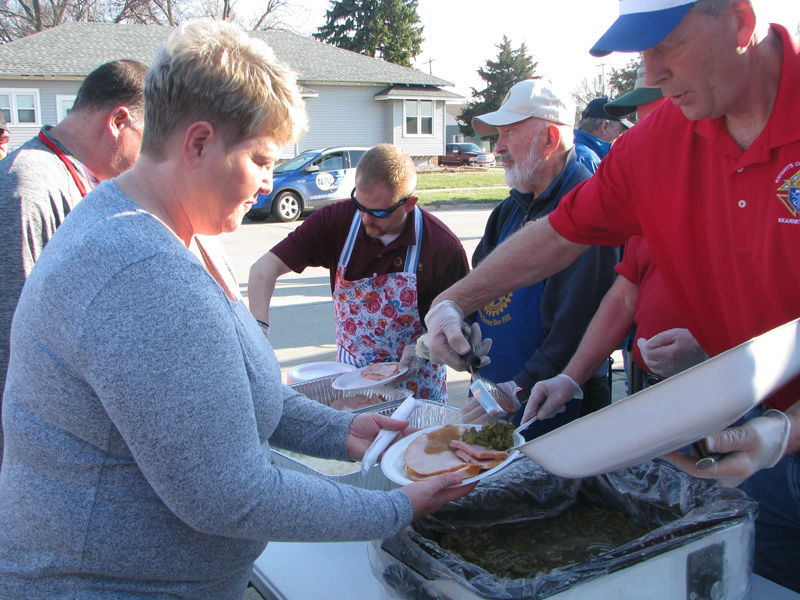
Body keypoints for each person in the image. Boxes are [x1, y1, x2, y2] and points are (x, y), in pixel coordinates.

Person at [0, 20, 473, 599]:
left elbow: (241, 392)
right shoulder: (140, 270)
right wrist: (395, 507)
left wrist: (346, 431)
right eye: (262, 159)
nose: (270, 183)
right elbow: (229, 495)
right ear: (198, 143)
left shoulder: (177, 232)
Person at [423, 0, 800, 590]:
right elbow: (559, 234)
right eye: (642, 52)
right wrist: (455, 300)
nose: (651, 73)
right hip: (750, 434)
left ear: (741, 21)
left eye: (668, 45)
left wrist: (787, 430)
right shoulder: (657, 142)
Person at [0, 59, 147, 460]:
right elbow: (13, 344)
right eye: (149, 141)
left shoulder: (77, 178)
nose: (150, 158)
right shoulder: (29, 188)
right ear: (118, 121)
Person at [248, 143, 469, 402]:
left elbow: (462, 324)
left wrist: (423, 349)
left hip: (417, 392)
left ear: (409, 204)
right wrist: (258, 334)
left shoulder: (441, 247)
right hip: (350, 386)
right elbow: (264, 268)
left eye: (379, 213)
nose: (366, 220)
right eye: (360, 205)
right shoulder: (337, 222)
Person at [458, 79, 617, 431]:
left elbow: (575, 330)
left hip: (551, 409)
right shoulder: (507, 211)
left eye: (509, 133)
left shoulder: (589, 213)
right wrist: (460, 334)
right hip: (489, 397)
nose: (498, 147)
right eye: (498, 135)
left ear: (550, 139)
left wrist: (516, 389)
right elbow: (478, 287)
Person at [573, 96, 631, 173]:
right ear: (605, 126)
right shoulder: (588, 160)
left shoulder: (568, 149)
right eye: (620, 131)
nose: (620, 137)